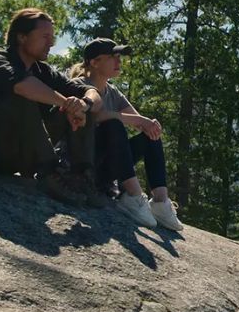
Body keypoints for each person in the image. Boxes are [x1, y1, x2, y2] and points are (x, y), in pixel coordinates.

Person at [0, 8, 108, 207]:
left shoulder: (43, 70)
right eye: (45, 36)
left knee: (83, 106)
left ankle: (82, 178)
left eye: (52, 37)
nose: (52, 43)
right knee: (23, 95)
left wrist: (84, 104)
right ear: (22, 37)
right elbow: (24, 86)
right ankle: (50, 172)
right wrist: (67, 103)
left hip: (10, 159)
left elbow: (93, 92)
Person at [69, 38, 183, 231]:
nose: (118, 62)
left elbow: (137, 120)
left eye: (119, 57)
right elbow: (96, 116)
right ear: (94, 62)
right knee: (113, 124)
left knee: (150, 135)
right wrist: (137, 120)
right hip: (82, 164)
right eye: (112, 57)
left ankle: (160, 202)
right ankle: (133, 196)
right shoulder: (77, 85)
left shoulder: (112, 91)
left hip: (105, 166)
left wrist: (149, 124)